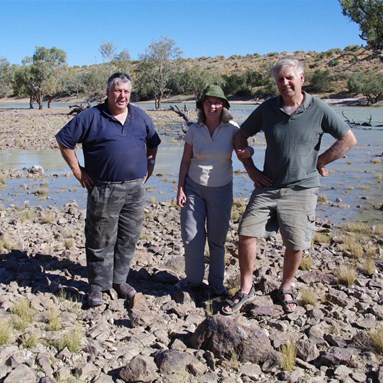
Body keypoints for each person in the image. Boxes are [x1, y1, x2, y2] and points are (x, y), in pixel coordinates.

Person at [222, 57, 357, 315]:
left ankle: (285, 286)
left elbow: (348, 139)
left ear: (301, 79)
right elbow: (240, 135)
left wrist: (320, 161)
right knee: (246, 232)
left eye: (289, 78)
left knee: (295, 243)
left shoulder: (318, 108)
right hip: (268, 185)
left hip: (302, 188)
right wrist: (251, 170)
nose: (284, 83)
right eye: (280, 80)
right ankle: (246, 288)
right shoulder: (267, 108)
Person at [56, 72, 161, 307]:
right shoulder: (91, 116)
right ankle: (97, 287)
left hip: (135, 189)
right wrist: (78, 171)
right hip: (104, 188)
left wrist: (150, 165)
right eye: (117, 91)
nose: (121, 96)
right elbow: (64, 141)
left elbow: (153, 143)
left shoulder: (141, 116)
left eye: (126, 91)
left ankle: (119, 281)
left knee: (128, 237)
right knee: (100, 237)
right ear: (108, 92)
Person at [176, 84, 253, 297]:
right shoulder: (193, 130)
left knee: (217, 239)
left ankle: (216, 285)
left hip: (221, 189)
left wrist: (250, 151)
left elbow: (244, 150)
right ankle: (193, 281)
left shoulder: (233, 129)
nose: (213, 106)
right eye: (209, 102)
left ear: (223, 105)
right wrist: (180, 188)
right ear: (202, 106)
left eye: (217, 102)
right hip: (193, 188)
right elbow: (185, 161)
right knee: (192, 236)